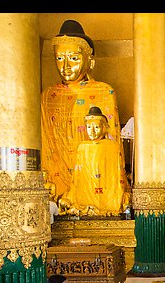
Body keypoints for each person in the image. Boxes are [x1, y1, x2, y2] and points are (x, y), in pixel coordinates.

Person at [41, 19, 125, 199]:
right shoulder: (48, 96)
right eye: (60, 58)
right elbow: (45, 144)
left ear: (90, 61)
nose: (66, 66)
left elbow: (112, 145)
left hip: (95, 179)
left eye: (73, 58)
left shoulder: (104, 92)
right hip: (57, 180)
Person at [59, 107, 129, 217]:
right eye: (88, 127)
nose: (91, 131)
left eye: (96, 127)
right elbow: (78, 176)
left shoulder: (112, 146)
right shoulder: (82, 147)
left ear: (104, 127)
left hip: (108, 192)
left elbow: (117, 174)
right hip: (85, 191)